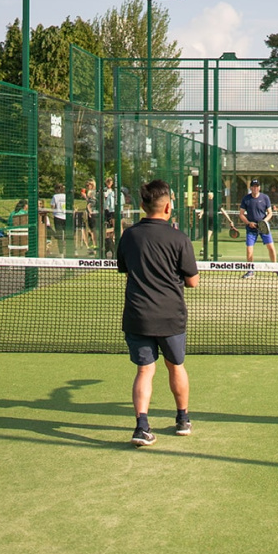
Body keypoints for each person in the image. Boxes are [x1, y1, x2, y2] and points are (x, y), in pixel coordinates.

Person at [116, 179, 200, 447]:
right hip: (170, 317)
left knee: (144, 371)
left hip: (138, 315)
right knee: (175, 366)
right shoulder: (179, 238)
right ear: (168, 209)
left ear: (142, 206)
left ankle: (141, 427)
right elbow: (193, 281)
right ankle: (183, 420)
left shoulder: (129, 235)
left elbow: (125, 268)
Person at [238, 179, 278, 278]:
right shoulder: (246, 199)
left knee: (271, 247)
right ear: (250, 188)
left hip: (264, 227)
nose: (255, 188)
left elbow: (270, 213)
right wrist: (249, 223)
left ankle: (275, 267)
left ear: (259, 188)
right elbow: (241, 214)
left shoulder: (265, 198)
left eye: (257, 186)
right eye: (253, 186)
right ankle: (250, 271)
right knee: (249, 250)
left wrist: (264, 222)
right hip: (251, 229)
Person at [49, 182, 67, 256]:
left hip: (58, 217)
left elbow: (53, 206)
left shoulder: (55, 196)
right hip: (66, 216)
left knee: (59, 235)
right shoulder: (66, 196)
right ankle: (68, 250)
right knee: (67, 234)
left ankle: (61, 253)